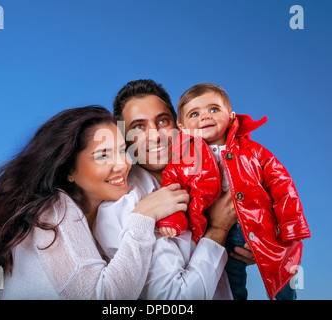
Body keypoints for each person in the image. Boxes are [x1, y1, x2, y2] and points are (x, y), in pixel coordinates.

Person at [0, 106, 187, 300]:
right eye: (103, 155)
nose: (123, 164)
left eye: (123, 150)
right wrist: (143, 217)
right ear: (69, 170)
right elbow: (103, 298)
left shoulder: (95, 214)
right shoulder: (55, 210)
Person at [93, 79, 254, 299]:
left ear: (179, 125)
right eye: (138, 127)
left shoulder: (209, 170)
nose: (156, 136)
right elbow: (176, 300)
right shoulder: (124, 205)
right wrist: (218, 230)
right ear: (124, 139)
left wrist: (251, 243)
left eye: (162, 121)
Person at [156, 83, 311, 300]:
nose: (205, 117)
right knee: (231, 286)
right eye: (194, 113)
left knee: (284, 271)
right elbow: (171, 189)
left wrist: (292, 225)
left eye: (214, 109)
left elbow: (282, 185)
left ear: (231, 116)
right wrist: (172, 221)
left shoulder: (253, 151)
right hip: (214, 234)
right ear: (182, 126)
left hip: (259, 224)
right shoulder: (182, 161)